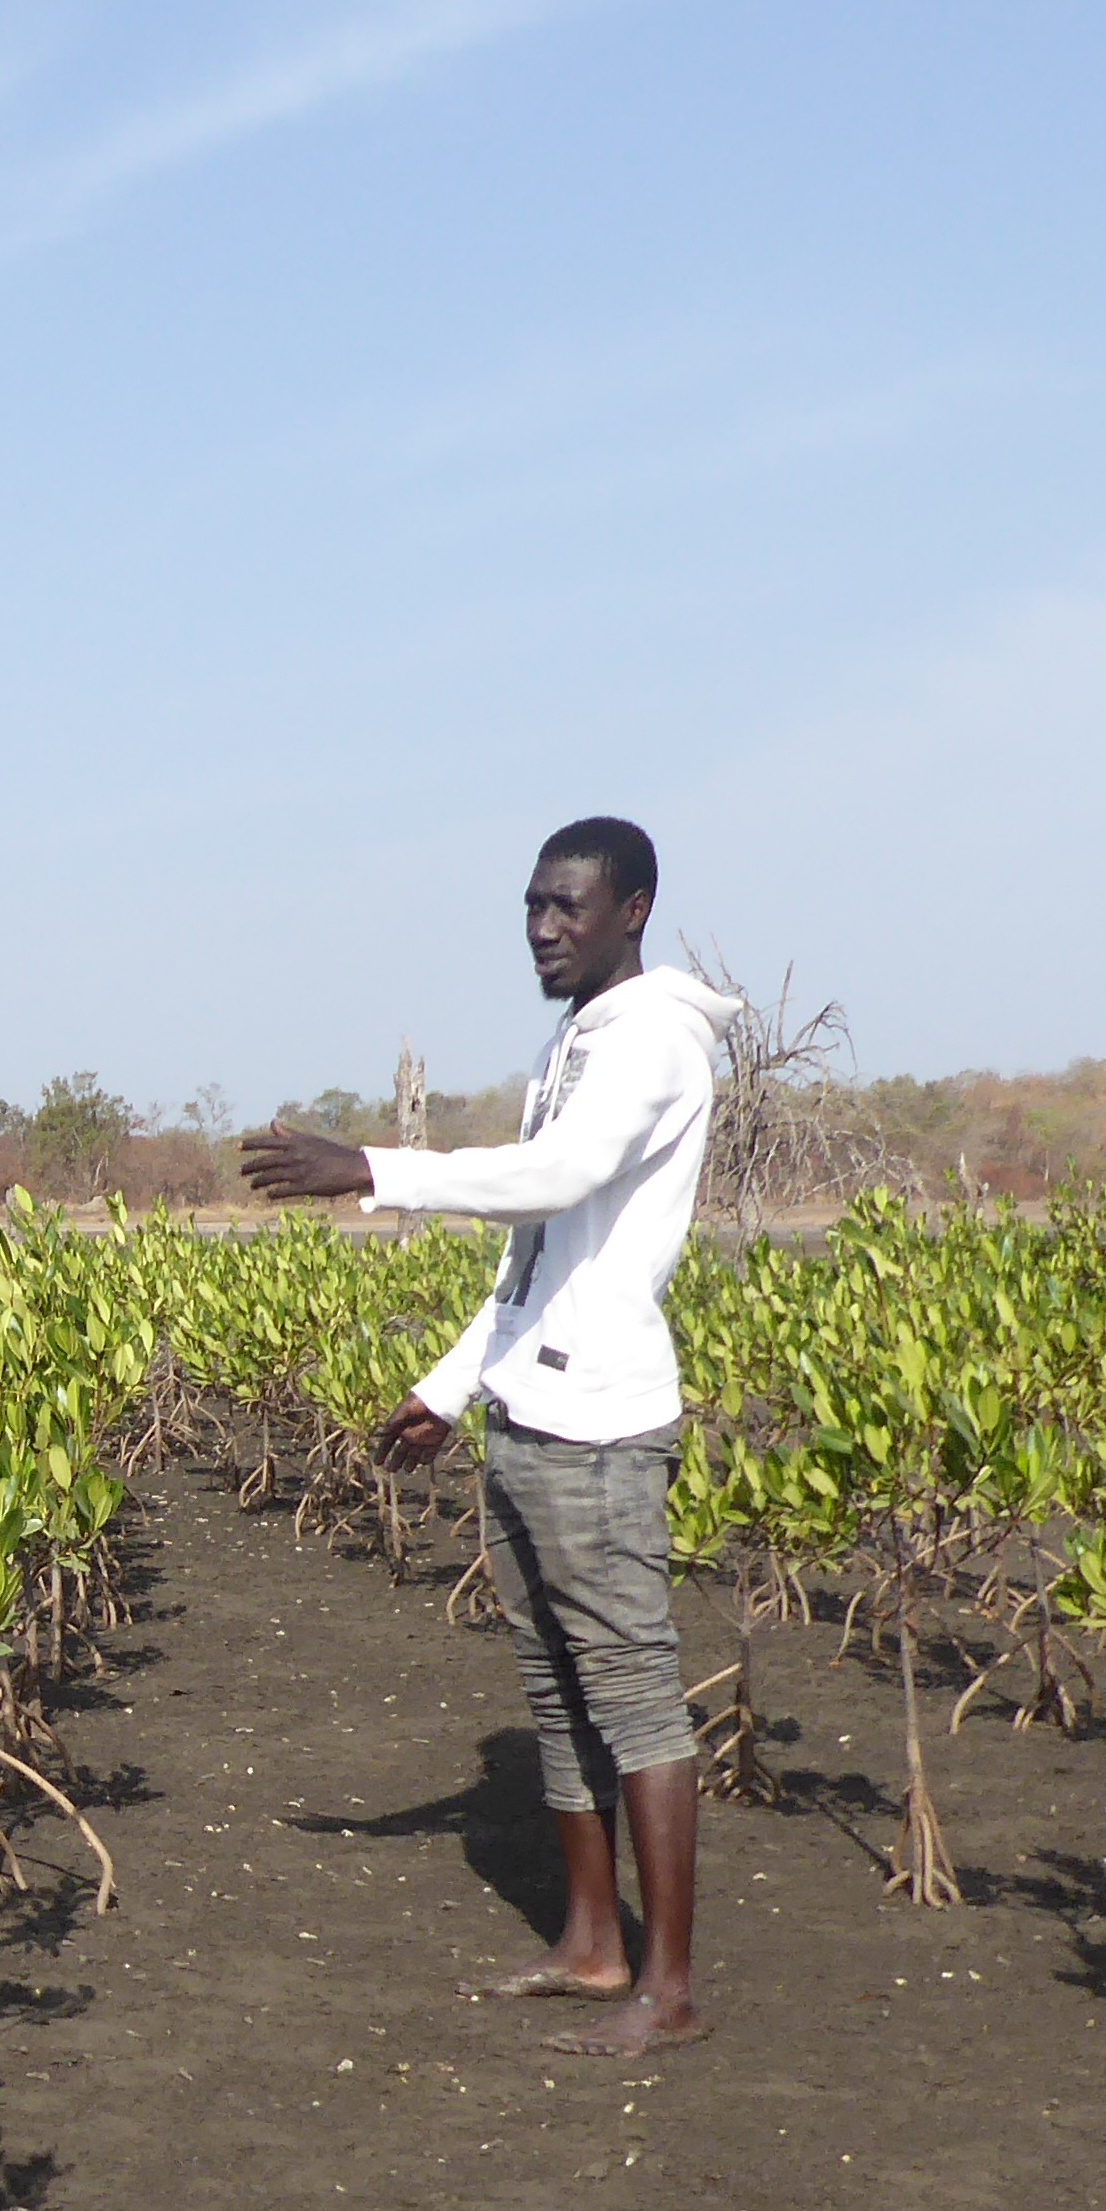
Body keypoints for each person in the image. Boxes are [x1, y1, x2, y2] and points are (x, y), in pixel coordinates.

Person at [239, 817, 738, 2054]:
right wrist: (456, 1386)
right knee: (558, 1695)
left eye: (569, 908)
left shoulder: (658, 1038)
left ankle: (666, 1995)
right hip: (530, 1413)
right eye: (531, 907)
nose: (543, 930)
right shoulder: (575, 1037)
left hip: (602, 1430)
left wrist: (372, 1167)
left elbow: (557, 1178)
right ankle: (590, 1944)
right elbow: (534, 1257)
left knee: (632, 1695)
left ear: (634, 910)